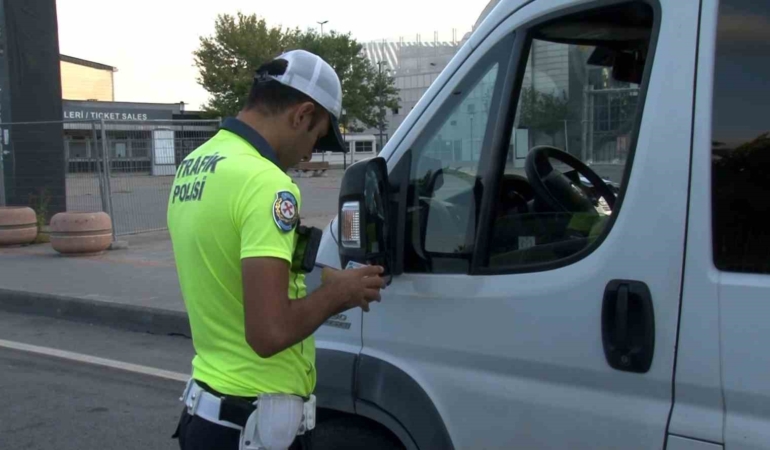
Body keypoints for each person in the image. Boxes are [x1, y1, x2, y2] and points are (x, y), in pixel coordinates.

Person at [167, 50, 385, 450]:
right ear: (301, 115)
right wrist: (339, 294)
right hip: (252, 426)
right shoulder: (266, 183)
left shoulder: (195, 165)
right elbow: (269, 333)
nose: (308, 154)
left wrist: (320, 276)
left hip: (208, 414)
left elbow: (229, 268)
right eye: (316, 136)